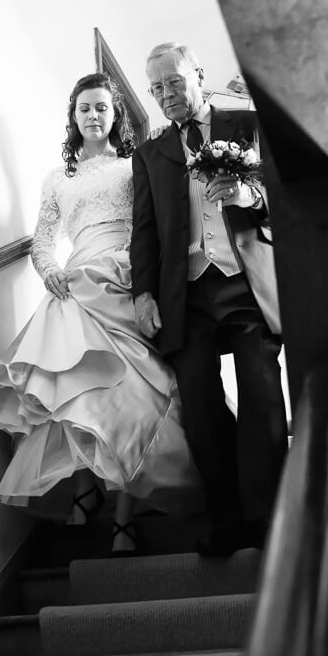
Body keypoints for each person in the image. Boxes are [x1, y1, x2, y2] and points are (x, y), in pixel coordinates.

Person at [0, 72, 201, 555]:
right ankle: (84, 496)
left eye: (102, 107)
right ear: (73, 116)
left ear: (115, 115)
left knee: (127, 399)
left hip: (126, 283)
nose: (94, 116)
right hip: (76, 287)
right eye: (85, 108)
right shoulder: (59, 179)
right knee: (77, 395)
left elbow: (152, 227)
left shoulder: (132, 166)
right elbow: (42, 239)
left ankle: (123, 516)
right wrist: (48, 269)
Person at [130, 42, 287, 556]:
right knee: (199, 407)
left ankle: (268, 518)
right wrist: (144, 292)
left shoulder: (247, 124)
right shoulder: (150, 154)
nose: (165, 95)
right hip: (187, 294)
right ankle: (227, 520)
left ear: (198, 75)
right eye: (156, 88)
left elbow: (288, 194)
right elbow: (145, 231)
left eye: (173, 82)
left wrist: (252, 197)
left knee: (262, 393)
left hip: (245, 282)